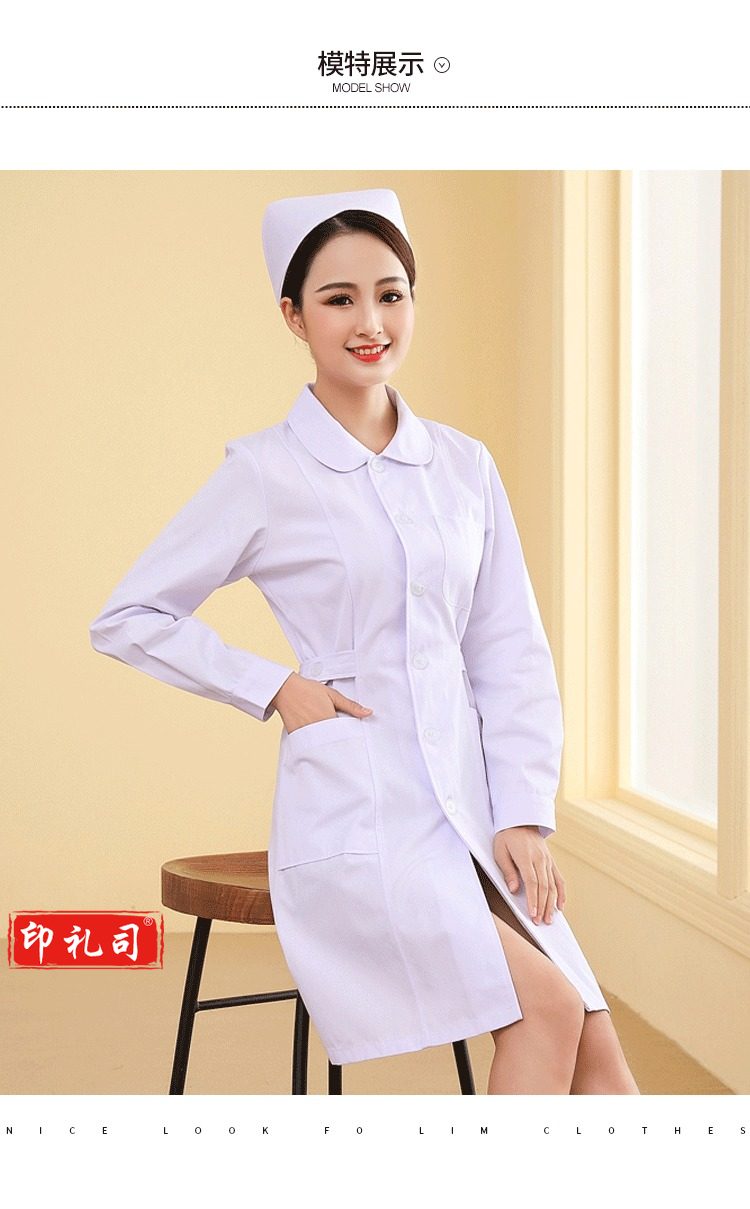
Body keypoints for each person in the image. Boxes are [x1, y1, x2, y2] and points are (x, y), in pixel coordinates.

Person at [89, 187, 639, 1094]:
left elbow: (508, 650)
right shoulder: (265, 472)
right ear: (293, 316)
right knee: (548, 1006)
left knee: (599, 1048)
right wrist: (274, 686)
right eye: (339, 298)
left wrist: (522, 811)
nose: (371, 321)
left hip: (473, 808)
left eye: (391, 293)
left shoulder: (463, 466)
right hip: (359, 816)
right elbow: (130, 615)